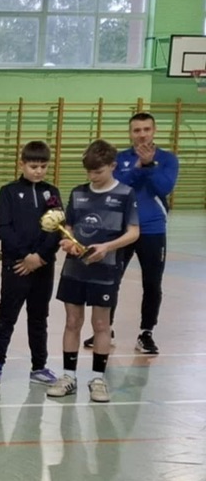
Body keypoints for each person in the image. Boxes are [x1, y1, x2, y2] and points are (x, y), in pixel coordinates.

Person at [48, 140, 140, 403]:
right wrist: (68, 242)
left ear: (112, 166)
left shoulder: (125, 194)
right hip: (74, 270)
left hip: (105, 270)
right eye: (89, 171)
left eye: (98, 171)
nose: (92, 177)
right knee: (72, 322)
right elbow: (70, 226)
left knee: (101, 324)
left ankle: (98, 378)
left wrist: (107, 247)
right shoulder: (78, 193)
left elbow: (134, 232)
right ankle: (68, 376)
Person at [99, 112, 179, 355]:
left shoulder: (167, 159)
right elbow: (116, 186)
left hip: (153, 229)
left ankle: (146, 333)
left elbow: (164, 187)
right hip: (122, 230)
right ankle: (105, 329)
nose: (142, 135)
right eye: (137, 130)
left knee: (152, 283)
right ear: (130, 133)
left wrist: (150, 166)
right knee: (111, 280)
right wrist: (137, 167)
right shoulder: (120, 159)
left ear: (154, 131)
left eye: (146, 129)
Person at [0, 141, 61, 388]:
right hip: (16, 266)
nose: (38, 171)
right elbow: (4, 228)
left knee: (39, 317)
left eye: (43, 166)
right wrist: (25, 256)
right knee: (7, 316)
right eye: (33, 166)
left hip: (43, 267)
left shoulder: (52, 192)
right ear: (22, 165)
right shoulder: (8, 192)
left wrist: (40, 258)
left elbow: (57, 228)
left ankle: (39, 366)